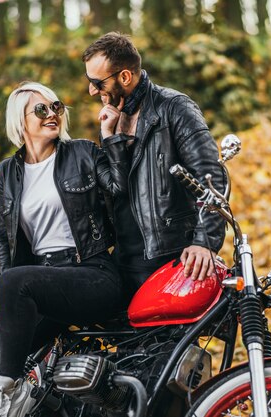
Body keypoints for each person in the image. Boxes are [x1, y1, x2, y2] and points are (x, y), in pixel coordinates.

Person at [0, 82, 128, 417]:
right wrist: (7, 305)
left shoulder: (82, 152)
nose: (52, 115)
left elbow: (119, 189)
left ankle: (11, 390)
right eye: (41, 109)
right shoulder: (7, 172)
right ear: (20, 121)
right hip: (41, 284)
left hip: (91, 273)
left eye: (56, 107)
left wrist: (109, 136)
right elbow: (5, 243)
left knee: (13, 284)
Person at [82, 32, 227, 294]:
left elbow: (212, 178)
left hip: (169, 258)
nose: (92, 90)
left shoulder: (175, 108)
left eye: (97, 82)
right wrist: (109, 138)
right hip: (123, 261)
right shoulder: (112, 119)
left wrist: (204, 241)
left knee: (174, 336)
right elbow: (118, 187)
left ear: (125, 77)